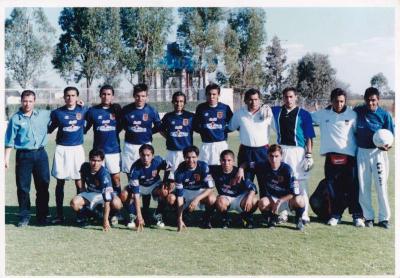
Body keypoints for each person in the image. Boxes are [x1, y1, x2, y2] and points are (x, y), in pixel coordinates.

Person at [311, 88, 364, 227]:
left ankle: (357, 216)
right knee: (333, 188)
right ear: (331, 101)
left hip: (349, 159)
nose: (339, 104)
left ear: (345, 101)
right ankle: (335, 215)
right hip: (331, 158)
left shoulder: (352, 115)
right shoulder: (323, 114)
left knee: (353, 187)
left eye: (342, 101)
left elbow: (358, 134)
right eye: (336, 101)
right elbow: (305, 117)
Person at [5, 90, 50, 227]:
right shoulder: (15, 119)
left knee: (43, 186)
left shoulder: (43, 115)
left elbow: (62, 113)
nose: (27, 104)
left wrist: (78, 105)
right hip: (24, 156)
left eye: (30, 101)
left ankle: (42, 216)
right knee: (23, 187)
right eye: (25, 101)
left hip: (41, 154)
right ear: (21, 101)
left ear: (34, 102)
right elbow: (9, 141)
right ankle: (24, 216)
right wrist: (6, 158)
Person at [271, 87, 315, 223]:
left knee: (301, 183)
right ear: (283, 98)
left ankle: (304, 213)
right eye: (285, 97)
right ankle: (283, 212)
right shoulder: (277, 111)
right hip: (282, 150)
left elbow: (309, 137)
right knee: (283, 182)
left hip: (298, 151)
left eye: (291, 97)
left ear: (296, 97)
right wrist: (264, 107)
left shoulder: (304, 114)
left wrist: (309, 155)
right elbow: (262, 108)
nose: (288, 99)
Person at [354, 87, 394, 228]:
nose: (371, 103)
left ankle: (384, 218)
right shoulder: (358, 111)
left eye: (373, 100)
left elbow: (391, 136)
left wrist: (387, 146)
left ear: (378, 100)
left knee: (381, 186)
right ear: (364, 100)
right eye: (368, 100)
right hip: (362, 152)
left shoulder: (384, 115)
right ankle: (368, 217)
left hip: (378, 154)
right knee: (364, 186)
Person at [48, 86, 87, 224]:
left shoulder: (83, 110)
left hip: (77, 149)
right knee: (60, 182)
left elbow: (88, 123)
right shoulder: (57, 113)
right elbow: (49, 129)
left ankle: (80, 214)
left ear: (77, 97)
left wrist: (84, 105)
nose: (70, 98)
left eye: (73, 95)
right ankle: (59, 215)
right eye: (68, 96)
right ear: (64, 97)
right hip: (62, 149)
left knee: (79, 181)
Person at [120, 144, 173, 229]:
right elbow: (136, 195)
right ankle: (133, 216)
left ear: (152, 155)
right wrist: (139, 215)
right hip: (140, 186)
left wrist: (164, 181)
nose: (145, 158)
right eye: (143, 155)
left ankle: (158, 214)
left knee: (165, 191)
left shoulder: (158, 161)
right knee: (124, 195)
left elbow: (169, 166)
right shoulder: (135, 168)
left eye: (148, 155)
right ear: (139, 155)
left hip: (154, 185)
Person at [228, 88, 274, 184]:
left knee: (265, 184)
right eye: (250, 99)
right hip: (246, 151)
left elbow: (278, 127)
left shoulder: (267, 112)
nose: (253, 102)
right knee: (245, 184)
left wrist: (270, 108)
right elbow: (231, 127)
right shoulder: (239, 113)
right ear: (245, 100)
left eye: (256, 99)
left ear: (260, 100)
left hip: (263, 151)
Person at [256, 144, 306, 231]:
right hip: (272, 200)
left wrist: (280, 200)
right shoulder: (263, 165)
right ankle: (271, 219)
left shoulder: (287, 169)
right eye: (271, 156)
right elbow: (249, 164)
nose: (273, 159)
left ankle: (298, 219)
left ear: (281, 156)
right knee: (262, 203)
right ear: (267, 156)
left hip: (286, 200)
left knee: (300, 200)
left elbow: (294, 192)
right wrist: (241, 169)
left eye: (276, 156)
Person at [70, 149, 123, 231]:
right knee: (74, 203)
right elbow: (82, 178)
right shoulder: (84, 166)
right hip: (91, 193)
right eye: (93, 160)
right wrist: (82, 189)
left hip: (103, 195)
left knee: (117, 204)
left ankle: (112, 215)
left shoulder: (104, 175)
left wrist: (105, 221)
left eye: (98, 161)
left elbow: (107, 200)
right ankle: (88, 216)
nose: (95, 163)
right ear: (89, 159)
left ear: (102, 161)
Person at [85, 85, 122, 195]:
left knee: (115, 178)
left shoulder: (117, 110)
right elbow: (85, 128)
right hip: (98, 152)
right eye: (104, 94)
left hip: (113, 150)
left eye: (109, 94)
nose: (106, 96)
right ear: (100, 95)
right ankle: (100, 204)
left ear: (113, 96)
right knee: (98, 179)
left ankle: (116, 206)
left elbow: (122, 126)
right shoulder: (93, 111)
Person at [120, 83, 161, 174]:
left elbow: (158, 126)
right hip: (129, 145)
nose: (140, 99)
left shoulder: (151, 110)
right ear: (134, 96)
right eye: (138, 96)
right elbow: (121, 124)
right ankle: (132, 187)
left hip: (145, 145)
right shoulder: (126, 110)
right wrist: (130, 130)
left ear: (146, 96)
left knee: (146, 171)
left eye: (143, 96)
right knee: (129, 171)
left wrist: (149, 132)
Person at [211, 150, 258, 229]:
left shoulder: (239, 173)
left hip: (240, 198)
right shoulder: (215, 170)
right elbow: (200, 166)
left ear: (233, 161)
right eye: (223, 160)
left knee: (254, 200)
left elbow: (253, 188)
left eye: (229, 160)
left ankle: (246, 216)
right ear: (220, 161)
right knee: (219, 200)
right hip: (226, 198)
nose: (226, 163)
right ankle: (225, 218)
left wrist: (249, 198)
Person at [174, 145, 216, 231]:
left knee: (212, 198)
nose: (191, 160)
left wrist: (197, 199)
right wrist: (179, 218)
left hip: (199, 191)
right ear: (184, 157)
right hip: (186, 191)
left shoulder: (204, 166)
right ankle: (180, 216)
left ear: (197, 157)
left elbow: (211, 187)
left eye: (193, 157)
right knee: (171, 198)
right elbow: (179, 196)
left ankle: (206, 219)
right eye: (188, 157)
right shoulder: (179, 172)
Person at [193, 83, 233, 172]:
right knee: (205, 171)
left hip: (221, 144)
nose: (211, 96)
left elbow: (233, 124)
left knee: (223, 170)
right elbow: (195, 125)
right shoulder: (201, 108)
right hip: (206, 144)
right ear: (206, 95)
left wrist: (223, 130)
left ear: (218, 95)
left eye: (214, 94)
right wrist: (204, 130)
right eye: (209, 94)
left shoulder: (225, 108)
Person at [160, 91, 195, 173]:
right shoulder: (168, 116)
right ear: (172, 102)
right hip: (171, 152)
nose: (178, 104)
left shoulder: (191, 117)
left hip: (187, 153)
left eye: (181, 101)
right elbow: (161, 129)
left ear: (185, 102)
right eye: (176, 101)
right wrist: (169, 137)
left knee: (186, 176)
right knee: (170, 178)